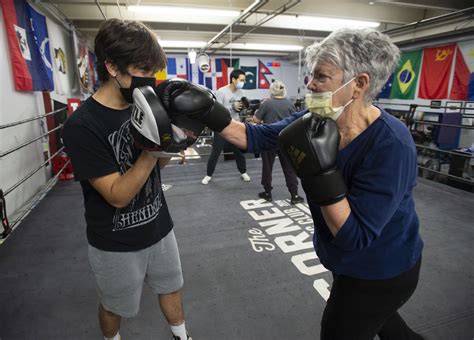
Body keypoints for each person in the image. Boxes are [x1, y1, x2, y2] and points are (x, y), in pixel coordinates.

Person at [160, 28, 424, 340]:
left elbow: (355, 236)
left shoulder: (391, 144)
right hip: (345, 261)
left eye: (322, 76)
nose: (310, 83)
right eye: (311, 74)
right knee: (387, 326)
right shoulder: (314, 121)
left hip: (381, 270)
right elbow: (252, 136)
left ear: (359, 85)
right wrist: (206, 111)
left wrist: (321, 173)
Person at [62, 19, 191, 340]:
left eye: (155, 71)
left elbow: (155, 171)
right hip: (115, 241)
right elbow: (118, 195)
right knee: (114, 305)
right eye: (143, 70)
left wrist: (172, 148)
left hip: (160, 226)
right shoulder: (82, 126)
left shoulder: (146, 102)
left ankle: (182, 335)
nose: (150, 79)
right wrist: (153, 149)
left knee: (172, 286)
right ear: (112, 67)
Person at [252, 80, 304, 204]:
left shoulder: (267, 103)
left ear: (272, 90)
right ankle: (294, 195)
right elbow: (295, 121)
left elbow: (256, 120)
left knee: (267, 167)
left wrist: (256, 115)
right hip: (285, 139)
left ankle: (267, 193)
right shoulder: (290, 104)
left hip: (269, 139)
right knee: (289, 168)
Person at [201, 69, 251, 185]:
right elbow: (216, 111)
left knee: (239, 151)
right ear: (233, 79)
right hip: (222, 127)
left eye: (244, 80)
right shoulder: (221, 92)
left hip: (236, 126)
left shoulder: (240, 92)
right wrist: (231, 107)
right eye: (241, 80)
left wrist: (241, 108)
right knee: (216, 152)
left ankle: (243, 172)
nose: (243, 82)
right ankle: (208, 175)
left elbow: (238, 110)